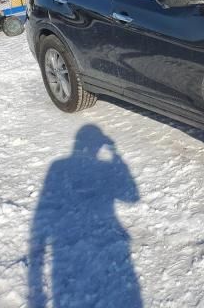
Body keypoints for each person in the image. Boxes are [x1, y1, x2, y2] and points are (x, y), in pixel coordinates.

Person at [28, 125, 141, 307]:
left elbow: (132, 197)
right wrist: (116, 157)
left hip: (72, 247)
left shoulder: (59, 166)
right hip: (81, 248)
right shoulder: (67, 167)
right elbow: (132, 196)